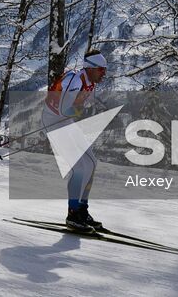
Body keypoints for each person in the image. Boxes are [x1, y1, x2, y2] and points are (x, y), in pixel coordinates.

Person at [44, 50, 109, 231]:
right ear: (91, 68)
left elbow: (75, 108)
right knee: (79, 167)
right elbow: (65, 108)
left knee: (92, 163)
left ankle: (81, 210)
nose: (104, 74)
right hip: (55, 121)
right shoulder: (74, 80)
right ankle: (73, 214)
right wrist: (82, 112)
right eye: (101, 70)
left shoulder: (89, 81)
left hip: (65, 121)